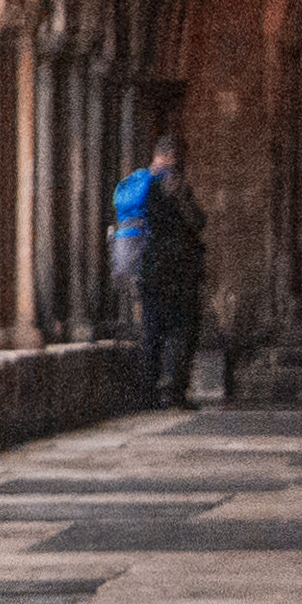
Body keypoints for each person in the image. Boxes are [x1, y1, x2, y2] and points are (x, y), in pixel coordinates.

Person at [111, 136, 208, 411]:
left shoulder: (139, 182)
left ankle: (146, 394)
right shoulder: (171, 183)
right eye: (179, 157)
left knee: (152, 332)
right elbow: (196, 221)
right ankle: (175, 392)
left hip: (149, 270)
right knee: (183, 330)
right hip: (175, 272)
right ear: (171, 155)